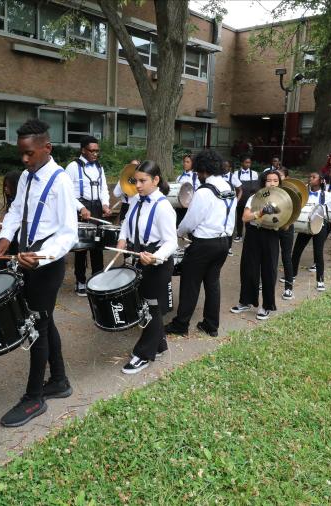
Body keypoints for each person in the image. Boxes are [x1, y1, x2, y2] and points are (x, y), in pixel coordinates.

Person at [0, 119, 78, 427]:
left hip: (47, 263)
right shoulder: (28, 177)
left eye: (29, 153)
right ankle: (58, 381)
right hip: (27, 257)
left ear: (47, 148)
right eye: (21, 154)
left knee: (36, 326)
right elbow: (16, 210)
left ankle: (34, 398)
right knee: (44, 319)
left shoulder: (61, 181)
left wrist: (41, 257)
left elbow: (69, 233)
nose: (24, 160)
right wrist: (5, 237)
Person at [164, 149, 234, 338]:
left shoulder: (204, 191)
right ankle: (211, 325)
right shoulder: (229, 188)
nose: (197, 175)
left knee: (190, 283)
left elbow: (191, 220)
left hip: (204, 244)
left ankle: (181, 324)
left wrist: (177, 232)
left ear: (203, 170)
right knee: (212, 283)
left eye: (197, 172)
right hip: (223, 241)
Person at [117, 161, 177, 374]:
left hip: (157, 263)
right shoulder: (135, 199)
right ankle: (159, 346)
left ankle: (143, 354)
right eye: (136, 180)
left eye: (143, 181)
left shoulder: (163, 207)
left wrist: (155, 257)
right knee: (147, 305)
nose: (138, 185)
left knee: (149, 308)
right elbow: (126, 221)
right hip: (139, 257)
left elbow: (172, 242)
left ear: (156, 180)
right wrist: (122, 238)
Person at [231, 170, 283, 321]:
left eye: (275, 180)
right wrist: (260, 212)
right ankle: (246, 301)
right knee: (249, 267)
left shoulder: (284, 199)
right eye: (269, 180)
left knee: (269, 270)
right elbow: (245, 217)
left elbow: (286, 223)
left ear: (279, 183)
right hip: (253, 233)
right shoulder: (255, 197)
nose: (272, 183)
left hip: (271, 235)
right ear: (263, 182)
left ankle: (267, 305)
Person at [67, 136, 110, 296]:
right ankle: (80, 281)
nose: (95, 154)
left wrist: (105, 203)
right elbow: (67, 193)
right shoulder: (72, 167)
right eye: (92, 151)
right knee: (82, 247)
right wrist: (81, 208)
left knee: (98, 246)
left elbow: (103, 188)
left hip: (97, 208)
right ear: (83, 150)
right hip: (80, 209)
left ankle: (97, 279)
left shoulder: (99, 167)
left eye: (97, 151)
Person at [290, 172, 329, 292]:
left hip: (319, 226)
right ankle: (292, 274)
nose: (310, 179)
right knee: (296, 250)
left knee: (318, 253)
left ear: (321, 180)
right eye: (310, 177)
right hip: (305, 225)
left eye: (314, 177)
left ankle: (320, 280)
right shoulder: (303, 193)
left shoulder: (326, 194)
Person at [275, 167, 296, 301]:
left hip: (286, 227)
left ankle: (288, 287)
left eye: (280, 176)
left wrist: (288, 223)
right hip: (272, 227)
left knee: (286, 256)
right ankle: (262, 281)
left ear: (286, 178)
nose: (277, 179)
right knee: (268, 256)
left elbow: (296, 209)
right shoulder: (270, 191)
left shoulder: (292, 191)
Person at [230, 157, 259, 244]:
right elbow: (235, 187)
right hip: (240, 199)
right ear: (242, 163)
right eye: (246, 162)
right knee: (239, 218)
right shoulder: (236, 173)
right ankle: (239, 235)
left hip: (249, 199)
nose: (248, 164)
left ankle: (249, 236)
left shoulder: (254, 174)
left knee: (249, 218)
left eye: (249, 163)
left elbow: (256, 187)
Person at [112, 159, 141, 225]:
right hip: (126, 206)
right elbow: (116, 194)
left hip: (137, 206)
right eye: (132, 165)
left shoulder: (141, 180)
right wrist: (123, 183)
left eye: (136, 166)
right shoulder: (123, 179)